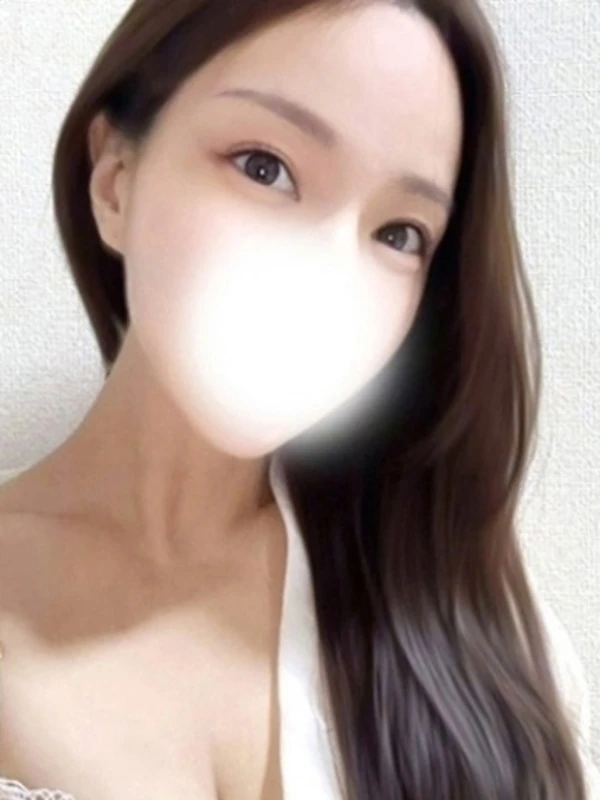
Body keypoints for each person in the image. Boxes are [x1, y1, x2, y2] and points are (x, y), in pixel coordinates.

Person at [0, 0, 597, 797]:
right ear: (115, 181)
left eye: (399, 234)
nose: (329, 282)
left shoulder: (466, 611)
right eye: (264, 167)